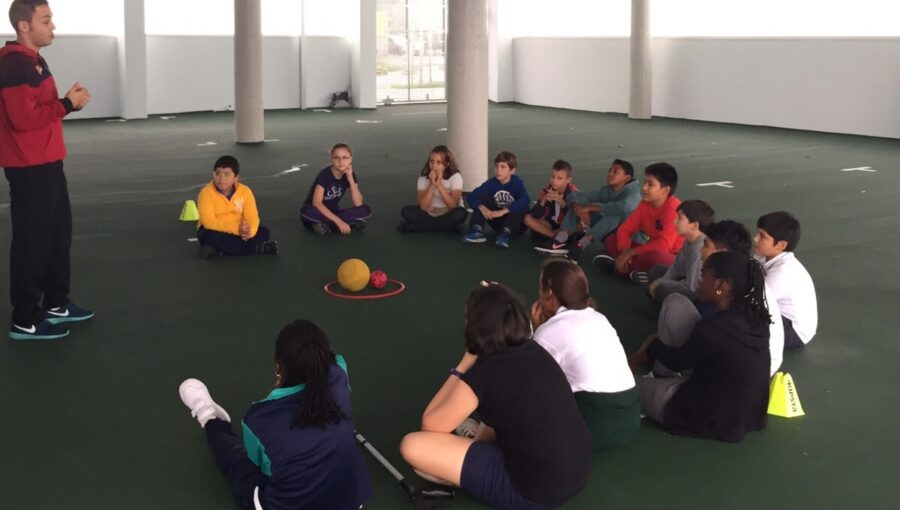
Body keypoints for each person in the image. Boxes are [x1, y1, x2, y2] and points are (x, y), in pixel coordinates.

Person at [400, 282, 591, 510]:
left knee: (413, 446)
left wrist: (463, 365)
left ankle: (465, 472)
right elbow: (499, 415)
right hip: (577, 471)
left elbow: (430, 423)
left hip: (534, 493)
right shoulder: (535, 350)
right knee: (496, 420)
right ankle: (473, 453)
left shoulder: (485, 372)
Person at [178, 320, 372, 510]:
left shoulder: (257, 419)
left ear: (279, 367)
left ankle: (210, 419)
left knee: (238, 462)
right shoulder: (340, 372)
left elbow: (259, 467)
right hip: (352, 500)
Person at [1, 0, 92, 340]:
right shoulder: (14, 64)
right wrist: (67, 104)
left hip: (48, 162)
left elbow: (39, 109)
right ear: (24, 26)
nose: (53, 26)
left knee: (56, 235)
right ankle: (25, 318)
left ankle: (56, 303)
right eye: (46, 20)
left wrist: (66, 104)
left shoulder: (32, 60)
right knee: (32, 241)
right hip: (29, 167)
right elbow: (21, 119)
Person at [632, 251, 771, 443]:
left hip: (710, 417)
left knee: (625, 387)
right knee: (675, 301)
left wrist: (651, 347)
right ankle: (661, 377)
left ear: (721, 285)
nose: (699, 280)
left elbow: (677, 362)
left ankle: (662, 385)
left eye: (704, 274)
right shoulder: (755, 317)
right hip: (749, 413)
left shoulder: (714, 329)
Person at [649, 220, 784, 377]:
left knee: (675, 305)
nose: (700, 250)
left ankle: (662, 375)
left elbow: (682, 358)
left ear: (722, 253)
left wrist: (653, 347)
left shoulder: (723, 308)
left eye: (706, 245)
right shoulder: (741, 278)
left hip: (733, 373)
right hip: (756, 369)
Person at [531, 259, 640, 451]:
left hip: (593, 425)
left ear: (549, 295)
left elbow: (527, 379)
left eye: (540, 288)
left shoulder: (550, 332)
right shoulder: (599, 318)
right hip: (629, 420)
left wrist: (538, 330)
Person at [593, 162, 683, 280]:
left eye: (650, 185)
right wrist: (625, 251)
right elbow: (625, 229)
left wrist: (631, 253)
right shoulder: (645, 204)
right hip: (648, 250)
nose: (644, 188)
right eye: (645, 183)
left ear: (665, 190)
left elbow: (664, 246)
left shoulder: (674, 209)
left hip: (672, 256)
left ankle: (619, 268)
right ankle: (635, 271)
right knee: (611, 240)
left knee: (656, 257)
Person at [538, 159, 640, 260]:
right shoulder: (607, 190)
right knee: (580, 202)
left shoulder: (633, 195)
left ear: (627, 178)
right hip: (610, 234)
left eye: (616, 172)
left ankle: (581, 245)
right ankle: (560, 240)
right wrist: (577, 207)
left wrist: (589, 208)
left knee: (614, 214)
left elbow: (624, 207)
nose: (610, 174)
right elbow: (574, 195)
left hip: (631, 239)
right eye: (610, 170)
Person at [754, 211, 818, 349]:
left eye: (762, 236)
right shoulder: (763, 256)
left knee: (739, 319)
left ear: (781, 245)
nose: (755, 239)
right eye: (757, 233)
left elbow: (752, 302)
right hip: (778, 314)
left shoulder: (783, 272)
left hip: (793, 331)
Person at [196, 155, 278, 258]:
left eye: (227, 174)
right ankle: (256, 248)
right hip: (216, 230)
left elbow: (252, 216)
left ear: (236, 178)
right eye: (217, 174)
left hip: (240, 230)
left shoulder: (245, 191)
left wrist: (248, 232)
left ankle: (219, 250)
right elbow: (209, 222)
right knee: (209, 236)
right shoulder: (206, 193)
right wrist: (237, 229)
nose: (221, 178)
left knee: (264, 232)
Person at [640, 199, 715, 300]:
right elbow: (676, 268)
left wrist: (661, 284)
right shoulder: (688, 241)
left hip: (696, 291)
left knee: (662, 289)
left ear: (694, 225)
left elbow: (691, 286)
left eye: (680, 218)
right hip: (686, 278)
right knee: (656, 270)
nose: (674, 221)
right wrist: (661, 281)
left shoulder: (699, 248)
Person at [461, 151, 531, 249]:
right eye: (497, 166)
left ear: (512, 171)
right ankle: (477, 231)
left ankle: (505, 234)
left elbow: (526, 200)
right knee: (480, 199)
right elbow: (471, 196)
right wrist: (482, 208)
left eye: (503, 167)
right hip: (498, 223)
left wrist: (504, 211)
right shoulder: (491, 183)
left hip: (517, 225)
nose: (498, 170)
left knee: (520, 206)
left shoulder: (517, 183)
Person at [300, 143, 371, 235]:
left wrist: (350, 179)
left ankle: (326, 227)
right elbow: (317, 203)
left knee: (364, 210)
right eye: (336, 158)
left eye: (345, 157)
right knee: (306, 211)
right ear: (332, 159)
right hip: (316, 212)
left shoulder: (351, 175)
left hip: (333, 212)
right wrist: (339, 222)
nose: (340, 161)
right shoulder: (325, 175)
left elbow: (358, 203)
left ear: (350, 159)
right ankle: (340, 226)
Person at [397, 145, 467, 233]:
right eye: (431, 161)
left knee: (461, 213)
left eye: (439, 162)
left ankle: (419, 227)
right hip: (429, 212)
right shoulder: (423, 177)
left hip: (448, 212)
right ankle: (445, 227)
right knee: (406, 211)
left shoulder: (455, 177)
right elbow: (423, 206)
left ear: (447, 164)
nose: (434, 166)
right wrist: (432, 184)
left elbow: (453, 205)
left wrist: (439, 185)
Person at [524, 159, 578, 242]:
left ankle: (557, 237)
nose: (554, 181)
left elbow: (577, 218)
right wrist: (543, 200)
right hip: (552, 222)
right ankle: (555, 237)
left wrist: (561, 202)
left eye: (559, 178)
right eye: (553, 177)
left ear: (568, 180)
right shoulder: (548, 189)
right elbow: (535, 215)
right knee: (528, 219)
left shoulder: (574, 193)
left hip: (568, 225)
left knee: (577, 228)